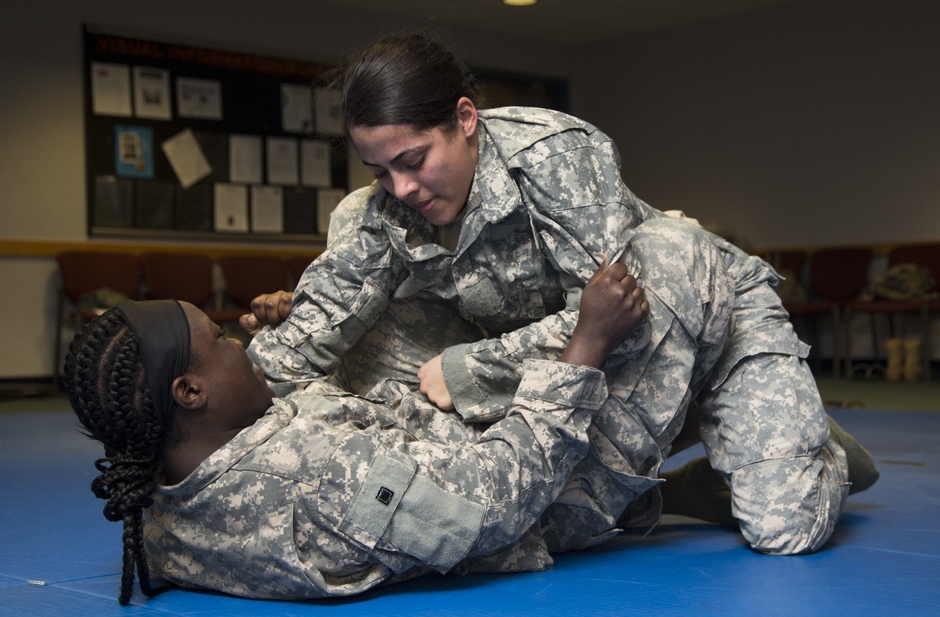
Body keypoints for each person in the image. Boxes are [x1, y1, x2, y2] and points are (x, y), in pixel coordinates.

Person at [244, 33, 877, 558]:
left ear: (465, 120)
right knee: (366, 348)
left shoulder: (553, 157)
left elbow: (620, 311)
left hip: (690, 311)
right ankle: (679, 479)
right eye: (380, 170)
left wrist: (471, 369)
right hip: (580, 362)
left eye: (413, 160)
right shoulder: (378, 212)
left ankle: (803, 439)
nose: (401, 187)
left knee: (784, 529)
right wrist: (200, 425)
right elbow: (312, 331)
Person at [63, 259, 650, 604]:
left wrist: (290, 328)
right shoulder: (317, 481)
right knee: (670, 276)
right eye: (219, 342)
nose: (238, 343)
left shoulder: (158, 486)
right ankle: (647, 486)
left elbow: (279, 404)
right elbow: (495, 501)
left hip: (419, 437)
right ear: (189, 393)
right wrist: (586, 344)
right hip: (541, 491)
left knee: (385, 312)